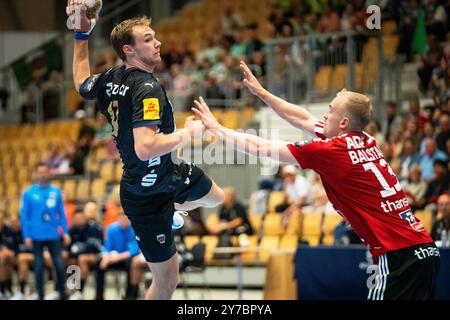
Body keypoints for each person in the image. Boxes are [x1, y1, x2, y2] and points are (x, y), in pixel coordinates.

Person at [192, 61, 440, 300]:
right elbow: (302, 118)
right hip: (424, 249)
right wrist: (262, 93)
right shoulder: (364, 138)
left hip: (398, 255)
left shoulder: (331, 152)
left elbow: (262, 148)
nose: (325, 114)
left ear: (343, 122)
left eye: (330, 110)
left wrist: (216, 128)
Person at [67, 3, 224, 300]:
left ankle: (175, 210)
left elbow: (80, 82)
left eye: (155, 36)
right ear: (129, 49)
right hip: (145, 195)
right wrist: (188, 133)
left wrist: (81, 35)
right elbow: (145, 147)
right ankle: (168, 213)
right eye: (148, 39)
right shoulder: (146, 87)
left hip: (172, 174)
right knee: (166, 281)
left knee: (216, 198)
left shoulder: (110, 78)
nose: (158, 42)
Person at [19, 162, 71, 300]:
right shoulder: (28, 193)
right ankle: (40, 293)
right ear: (36, 174)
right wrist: (27, 235)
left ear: (48, 173)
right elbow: (24, 216)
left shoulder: (56, 191)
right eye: (40, 171)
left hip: (53, 234)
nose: (42, 174)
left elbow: (62, 214)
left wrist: (65, 232)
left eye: (45, 171)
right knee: (38, 265)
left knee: (59, 264)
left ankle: (61, 290)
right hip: (36, 235)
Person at [94, 211, 139, 300]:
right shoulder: (111, 229)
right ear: (118, 218)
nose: (123, 220)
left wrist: (118, 257)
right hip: (112, 257)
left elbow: (134, 249)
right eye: (121, 218)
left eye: (126, 218)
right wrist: (107, 256)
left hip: (126, 258)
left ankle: (129, 295)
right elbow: (107, 247)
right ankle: (99, 295)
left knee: (133, 263)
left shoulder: (134, 229)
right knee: (98, 261)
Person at [66, 210, 103, 300]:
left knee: (82, 259)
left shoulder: (93, 227)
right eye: (77, 218)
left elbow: (95, 246)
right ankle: (68, 289)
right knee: (66, 258)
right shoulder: (72, 229)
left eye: (81, 218)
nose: (79, 220)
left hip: (95, 256)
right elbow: (67, 246)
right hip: (77, 257)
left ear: (85, 218)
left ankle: (80, 291)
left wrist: (79, 248)